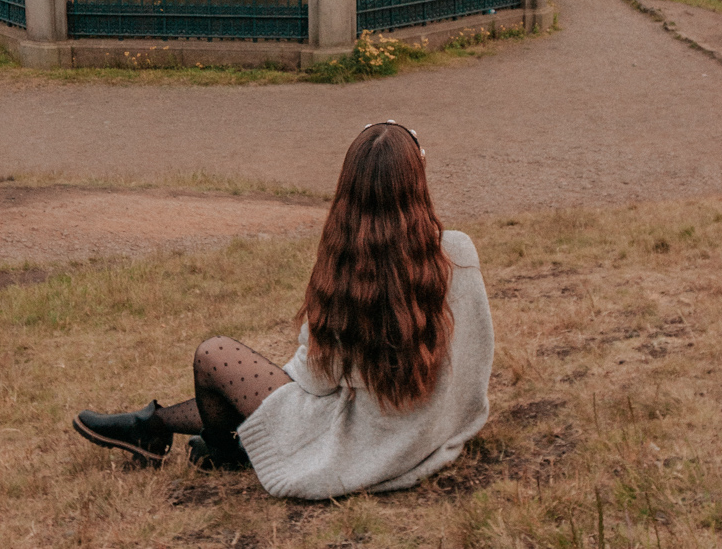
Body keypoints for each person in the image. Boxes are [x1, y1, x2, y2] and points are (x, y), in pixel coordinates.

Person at [72, 121, 494, 498]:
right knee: (258, 387)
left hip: (362, 442)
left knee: (214, 356)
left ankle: (208, 446)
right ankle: (156, 426)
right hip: (427, 433)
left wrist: (273, 391)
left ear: (348, 188)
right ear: (417, 180)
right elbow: (476, 355)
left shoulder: (348, 267)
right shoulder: (456, 252)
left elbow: (317, 381)